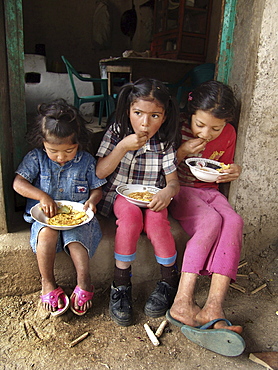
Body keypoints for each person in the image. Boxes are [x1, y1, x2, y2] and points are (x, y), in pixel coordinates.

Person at [96, 78, 181, 326]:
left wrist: (167, 193)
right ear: (127, 111)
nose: (145, 122)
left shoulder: (165, 142)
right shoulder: (116, 133)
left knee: (157, 223)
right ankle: (120, 285)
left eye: (155, 115)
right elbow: (100, 172)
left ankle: (168, 281)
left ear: (164, 117)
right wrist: (123, 146)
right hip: (119, 196)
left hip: (152, 196)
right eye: (138, 113)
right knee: (131, 218)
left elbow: (173, 182)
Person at [13, 99, 106, 316]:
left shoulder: (86, 161)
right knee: (46, 235)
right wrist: (41, 196)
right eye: (53, 150)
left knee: (76, 240)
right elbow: (18, 183)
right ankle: (48, 283)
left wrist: (92, 201)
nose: (61, 157)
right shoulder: (36, 158)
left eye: (69, 150)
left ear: (79, 142)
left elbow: (97, 189)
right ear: (42, 142)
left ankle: (84, 282)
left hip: (77, 218)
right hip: (45, 218)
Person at [167, 80, 244, 338]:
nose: (207, 133)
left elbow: (224, 166)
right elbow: (159, 165)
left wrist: (231, 171)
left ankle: (213, 307)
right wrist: (181, 152)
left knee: (233, 221)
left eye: (216, 128)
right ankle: (182, 301)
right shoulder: (177, 127)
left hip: (209, 190)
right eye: (200, 125)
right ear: (190, 114)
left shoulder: (229, 133)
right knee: (210, 221)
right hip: (181, 189)